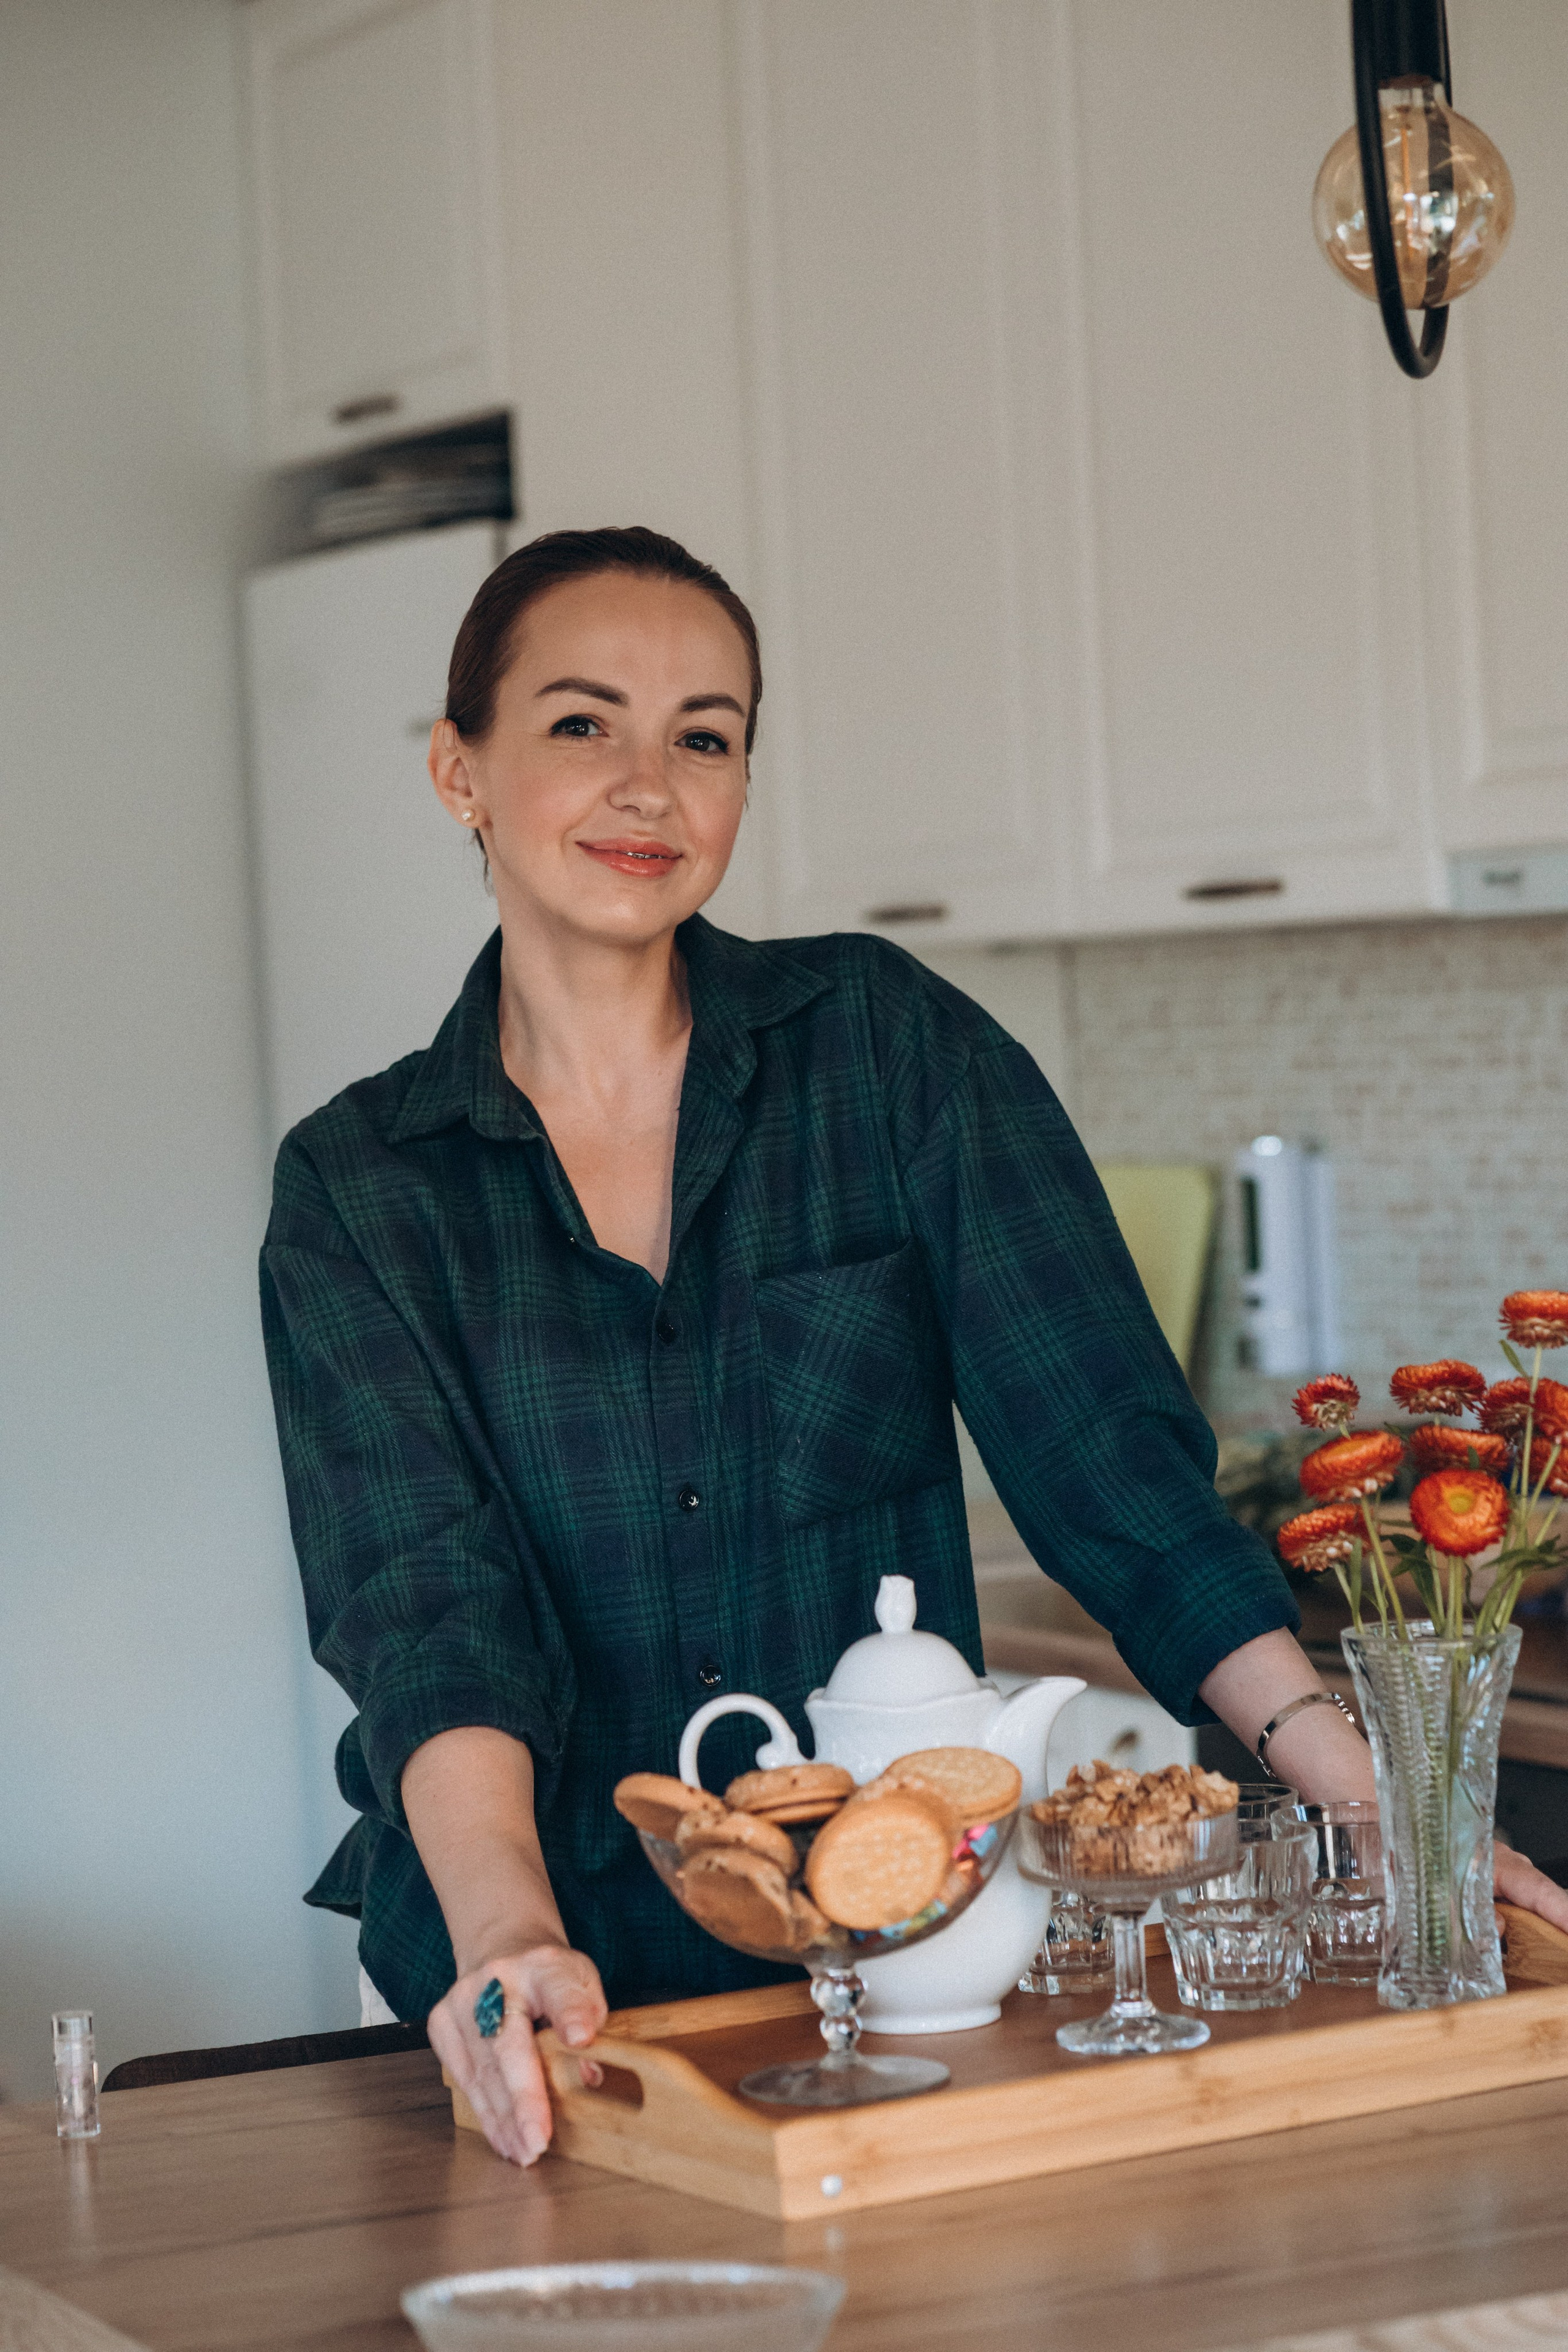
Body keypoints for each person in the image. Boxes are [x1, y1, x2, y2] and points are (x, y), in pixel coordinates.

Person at [260, 526, 1568, 2168]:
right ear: (462, 770)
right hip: (547, 1981)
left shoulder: (890, 1054)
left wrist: (1372, 1797)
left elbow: (1115, 1474)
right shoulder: (362, 1190)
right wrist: (508, 1938)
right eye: (583, 724)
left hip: (906, 1976)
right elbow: (424, 1611)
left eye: (707, 736)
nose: (649, 787)